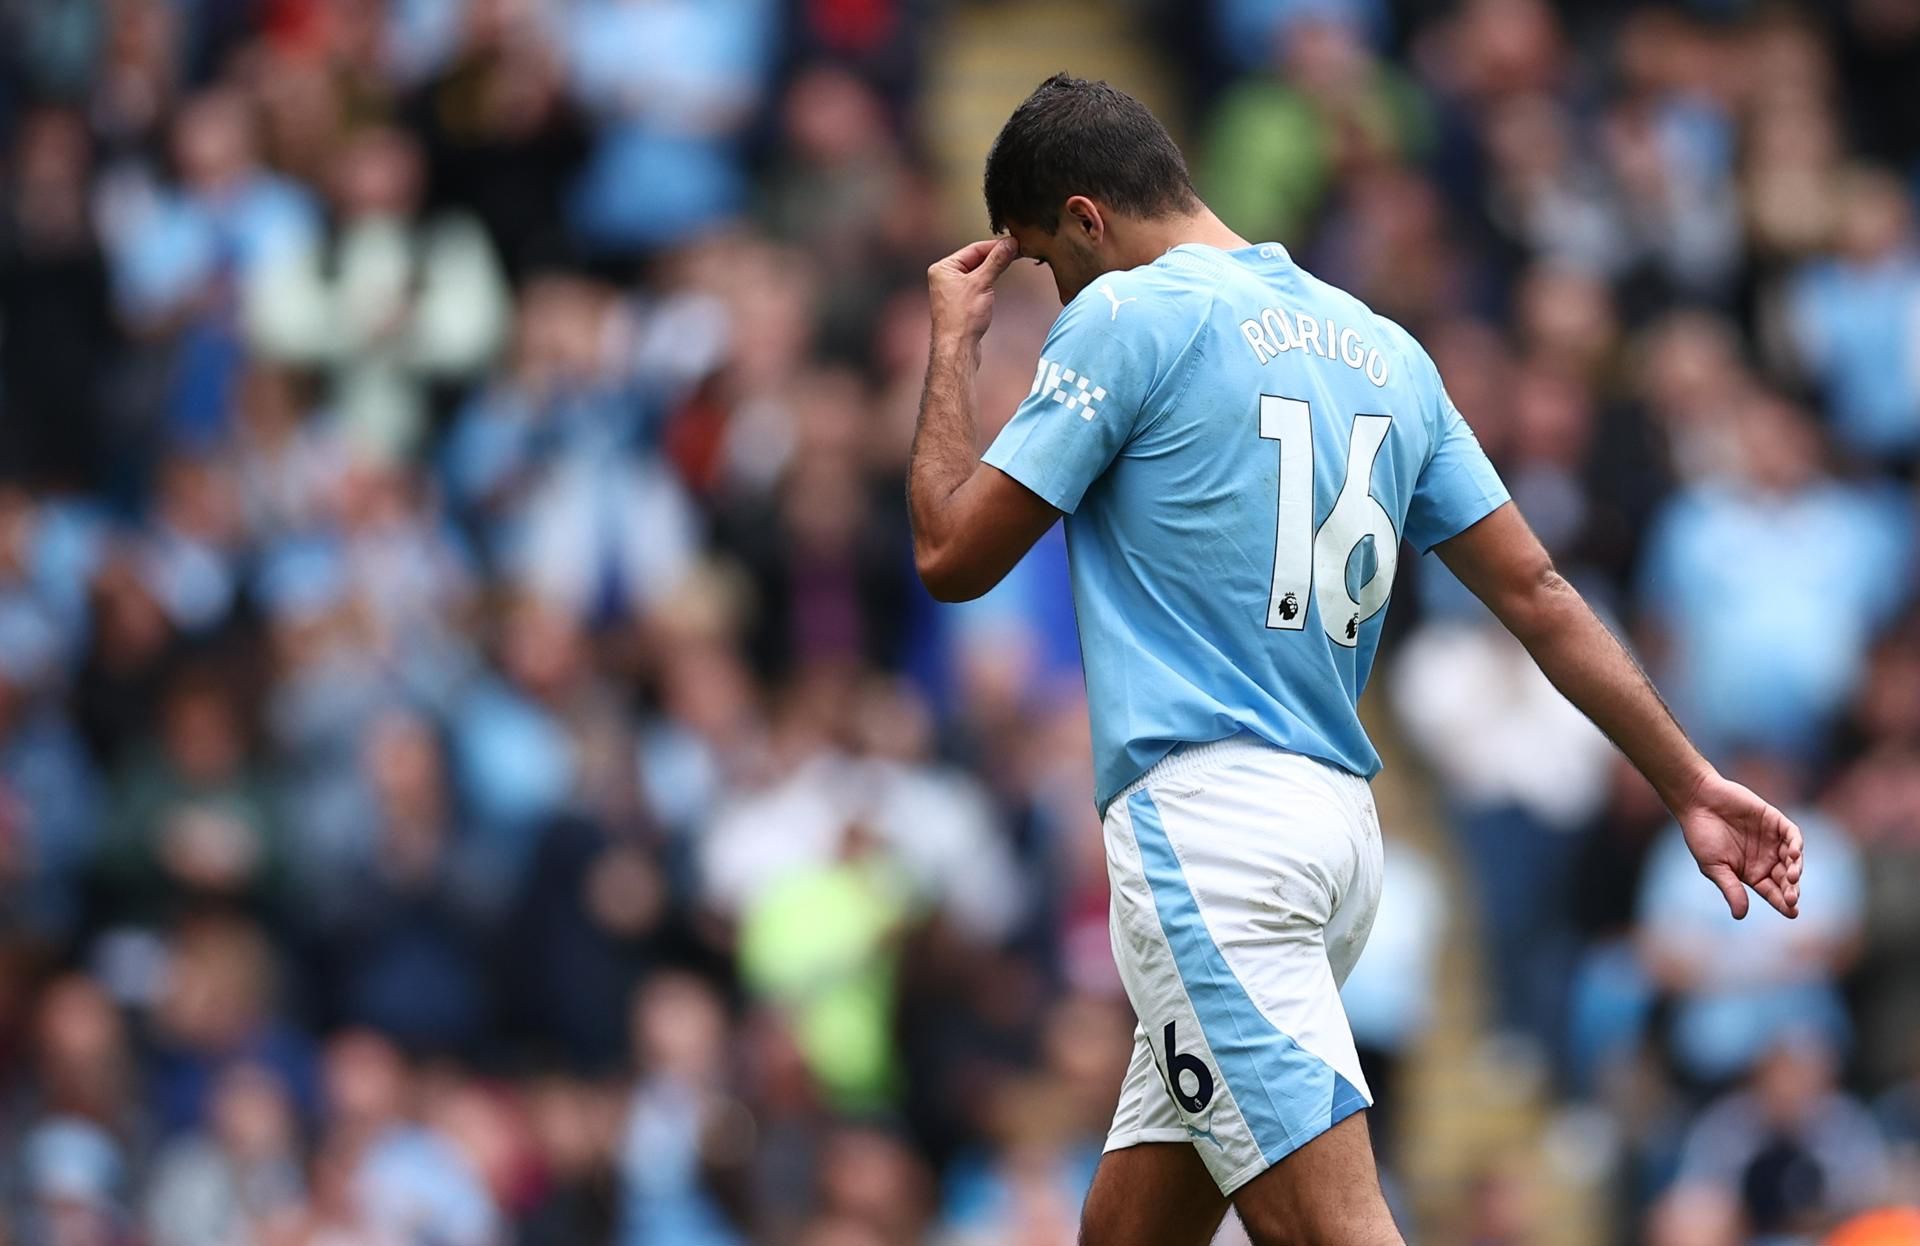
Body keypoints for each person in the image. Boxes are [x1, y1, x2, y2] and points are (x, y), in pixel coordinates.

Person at [906, 74, 1805, 1246]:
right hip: (1335, 839)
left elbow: (948, 554)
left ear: (1085, 220)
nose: (1052, 291)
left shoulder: (1126, 316)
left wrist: (953, 347)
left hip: (1212, 830)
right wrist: (1688, 779)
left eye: (1040, 261)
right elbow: (1537, 593)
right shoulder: (1382, 347)